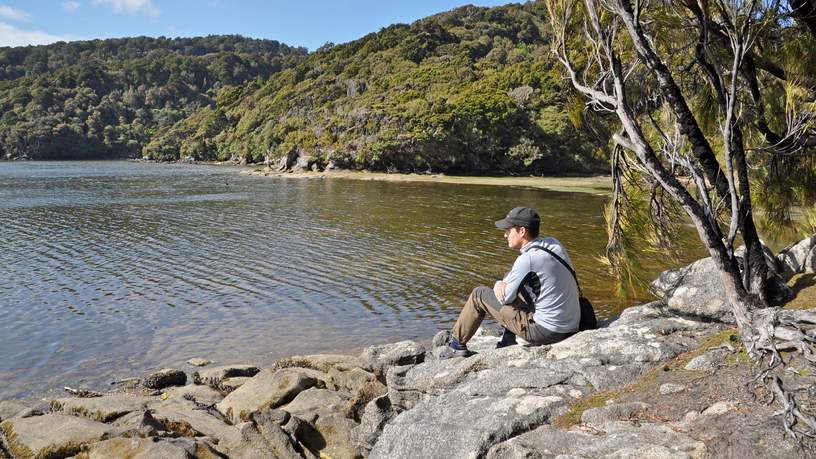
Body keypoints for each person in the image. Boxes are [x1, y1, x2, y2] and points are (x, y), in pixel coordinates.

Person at [442, 207, 580, 358]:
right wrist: (505, 281)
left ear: (522, 231)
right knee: (512, 280)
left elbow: (505, 298)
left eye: (508, 230)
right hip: (572, 324)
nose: (505, 234)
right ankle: (508, 340)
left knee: (479, 294)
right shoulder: (554, 243)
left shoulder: (528, 259)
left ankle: (456, 344)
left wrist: (498, 284)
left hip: (547, 331)